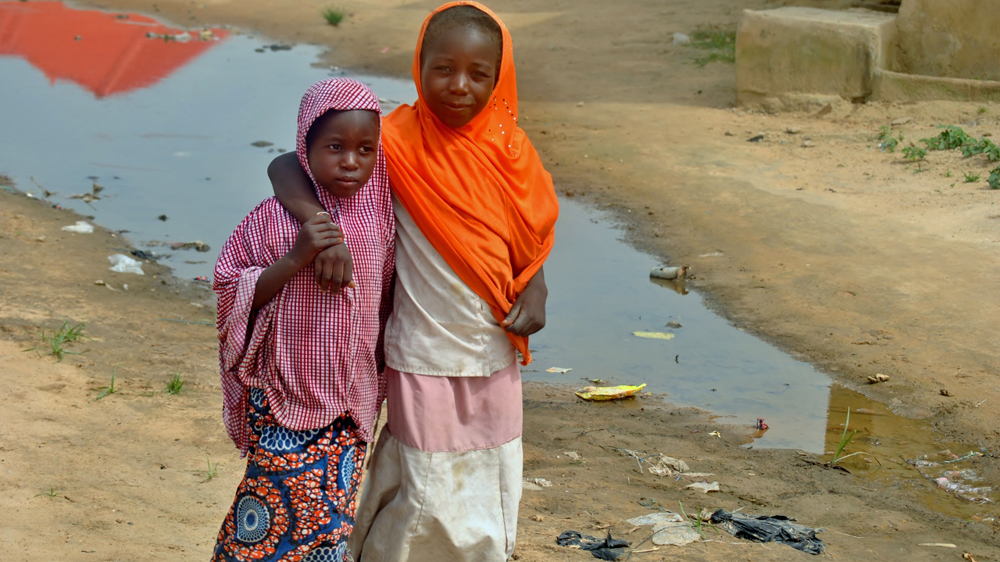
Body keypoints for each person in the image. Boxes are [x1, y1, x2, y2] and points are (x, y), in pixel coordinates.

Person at [268, 3, 559, 560]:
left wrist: (536, 285)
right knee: (422, 475)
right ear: (418, 66)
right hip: (420, 347)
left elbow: (528, 235)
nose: (459, 86)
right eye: (442, 69)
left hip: (492, 345)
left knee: (489, 466)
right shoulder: (395, 142)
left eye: (479, 74)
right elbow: (288, 163)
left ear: (501, 77)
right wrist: (320, 228)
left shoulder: (512, 153)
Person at [211, 78, 395, 562]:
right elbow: (232, 286)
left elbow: (389, 294)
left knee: (330, 526)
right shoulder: (273, 219)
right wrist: (297, 256)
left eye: (365, 149)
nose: (351, 161)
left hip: (351, 403)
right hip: (284, 398)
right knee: (267, 513)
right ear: (305, 149)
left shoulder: (380, 220)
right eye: (335, 147)